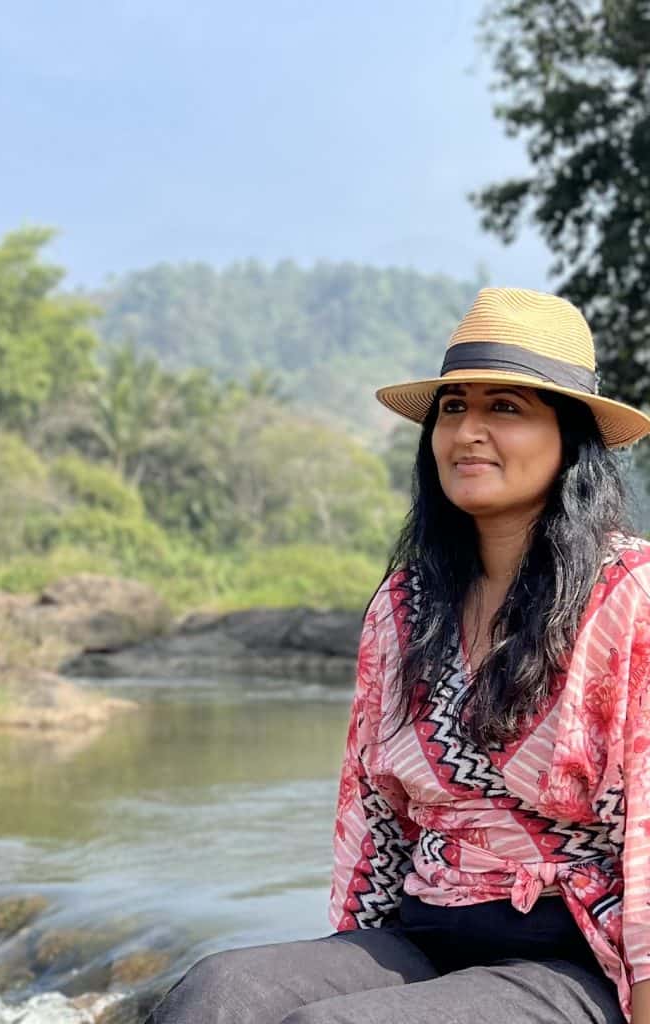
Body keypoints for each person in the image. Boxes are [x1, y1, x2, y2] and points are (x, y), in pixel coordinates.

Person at [146, 288, 650, 1024]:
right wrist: (350, 961)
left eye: (504, 408)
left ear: (571, 439)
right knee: (215, 994)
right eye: (453, 408)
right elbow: (372, 816)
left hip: (571, 954)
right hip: (424, 931)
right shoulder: (407, 603)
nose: (468, 432)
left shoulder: (629, 595)